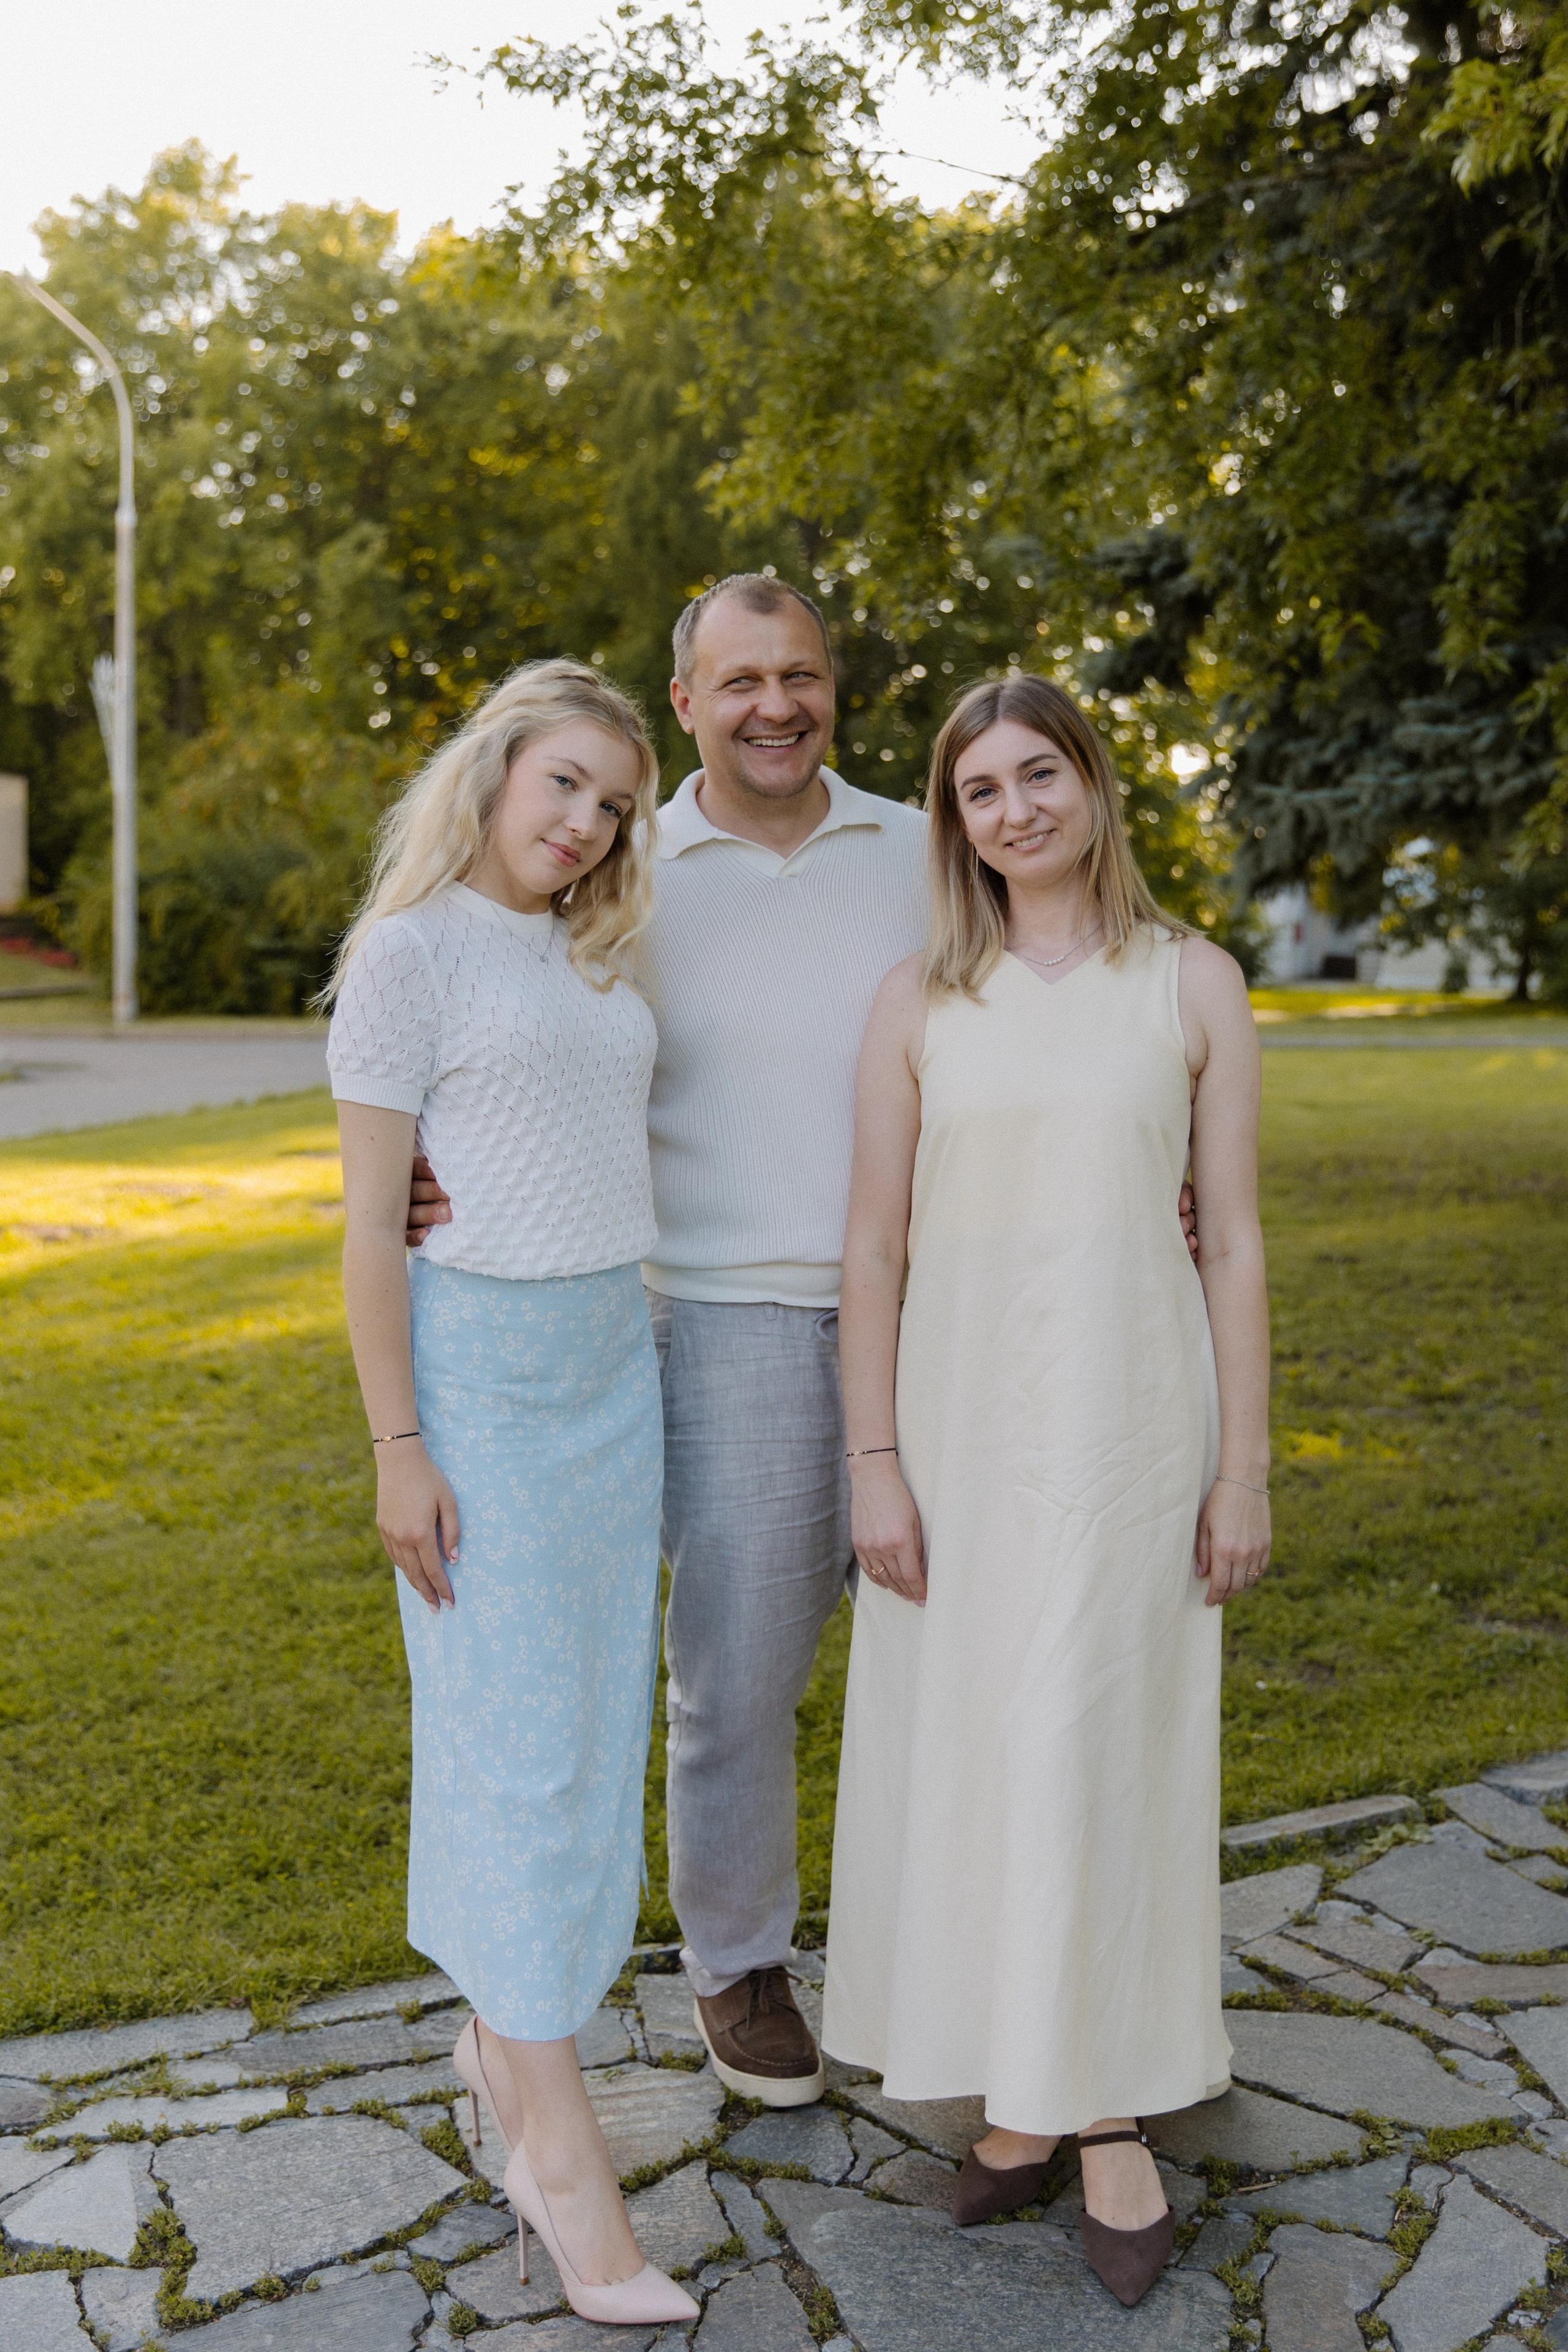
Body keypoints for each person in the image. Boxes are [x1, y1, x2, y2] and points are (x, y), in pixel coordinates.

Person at [407, 579, 1196, 2108]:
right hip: (728, 1319)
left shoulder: (926, 846)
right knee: (739, 1678)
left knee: (983, 1653)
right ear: (684, 699)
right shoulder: (622, 868)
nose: (775, 705)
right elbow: (506, 1027)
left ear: (835, 687)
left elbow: (1051, 1009)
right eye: (740, 680)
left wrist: (1148, 1161)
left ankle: (991, 1969)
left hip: (958, 1318)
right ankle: (740, 1961)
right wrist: (425, 1168)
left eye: (802, 676)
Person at [824, 674, 1270, 2307]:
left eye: (1038, 775)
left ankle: (1103, 2115)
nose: (1013, 810)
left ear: (1091, 782)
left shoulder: (1193, 983)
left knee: (1096, 1746)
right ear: (954, 822)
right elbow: (873, 1247)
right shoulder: (918, 1001)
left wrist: (1242, 1469)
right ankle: (1020, 2087)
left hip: (1134, 1431)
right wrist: (874, 1464)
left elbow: (1231, 1238)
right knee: (983, 1751)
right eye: (979, 790)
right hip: (957, 1431)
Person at [326, 658, 698, 2329]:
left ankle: (501, 2041)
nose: (587, 823)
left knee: (589, 1741)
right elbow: (366, 1226)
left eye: (614, 804)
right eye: (565, 783)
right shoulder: (406, 954)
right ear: (492, 770)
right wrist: (399, 1446)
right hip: (481, 1389)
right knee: (521, 1755)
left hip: (615, 1369)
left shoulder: (594, 950)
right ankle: (560, 2151)